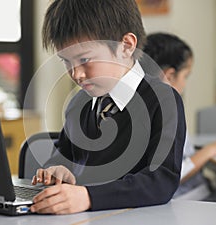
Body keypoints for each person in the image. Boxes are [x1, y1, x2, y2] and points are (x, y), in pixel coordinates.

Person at [30, 0, 186, 215]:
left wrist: (88, 197)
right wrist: (58, 170)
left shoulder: (163, 100)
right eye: (66, 62)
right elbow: (63, 155)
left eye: (85, 59)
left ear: (126, 46)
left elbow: (160, 181)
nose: (76, 74)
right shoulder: (79, 102)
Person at [143, 32, 216, 200]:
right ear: (169, 76)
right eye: (185, 76)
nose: (185, 83)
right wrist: (210, 151)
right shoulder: (161, 111)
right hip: (188, 198)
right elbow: (167, 176)